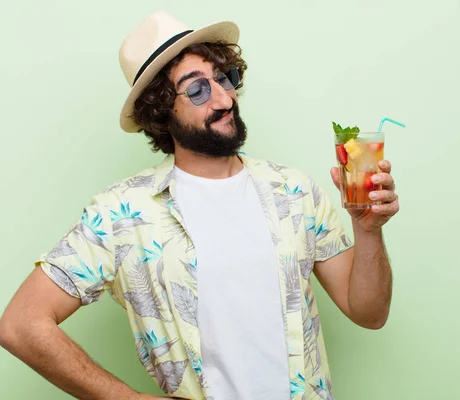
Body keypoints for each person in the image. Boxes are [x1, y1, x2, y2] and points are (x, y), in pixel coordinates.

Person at [0, 10, 398, 400]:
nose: (225, 98)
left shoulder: (294, 191)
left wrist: (368, 231)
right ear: (160, 111)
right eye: (197, 89)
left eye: (224, 78)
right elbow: (20, 325)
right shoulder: (122, 214)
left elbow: (369, 314)